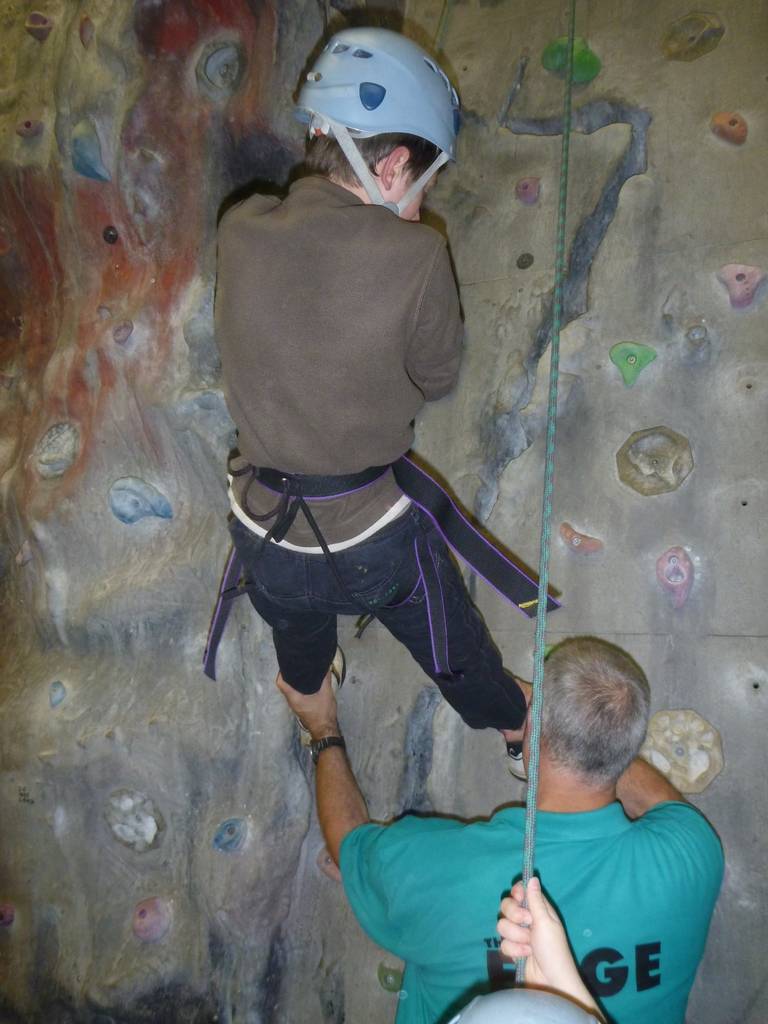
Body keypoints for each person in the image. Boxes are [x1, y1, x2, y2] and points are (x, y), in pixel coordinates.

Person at [213, 26, 536, 764]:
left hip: (257, 523)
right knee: (445, 634)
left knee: (294, 620)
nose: (425, 199)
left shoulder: (240, 224)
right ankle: (512, 722)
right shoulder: (416, 254)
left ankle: (307, 682)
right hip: (368, 540)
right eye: (424, 181)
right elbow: (437, 378)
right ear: (392, 166)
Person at [276, 636, 724, 1024]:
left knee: (370, 862)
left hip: (424, 877)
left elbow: (346, 838)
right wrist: (565, 729)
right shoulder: (693, 855)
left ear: (534, 734)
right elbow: (663, 800)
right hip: (574, 745)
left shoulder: (433, 867)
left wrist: (322, 726)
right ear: (629, 749)